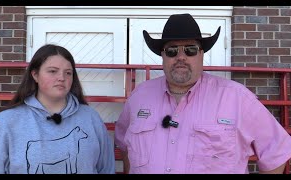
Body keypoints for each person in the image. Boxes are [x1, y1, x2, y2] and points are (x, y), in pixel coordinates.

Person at [114, 13, 291, 174]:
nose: (181, 57)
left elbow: (277, 149)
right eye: (172, 50)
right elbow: (125, 146)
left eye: (190, 49)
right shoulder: (139, 97)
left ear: (201, 54)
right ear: (163, 55)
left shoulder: (237, 98)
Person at [0, 44, 115, 174]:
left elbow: (106, 168)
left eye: (68, 73)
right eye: (53, 71)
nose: (61, 78)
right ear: (35, 75)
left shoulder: (90, 118)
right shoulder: (7, 122)